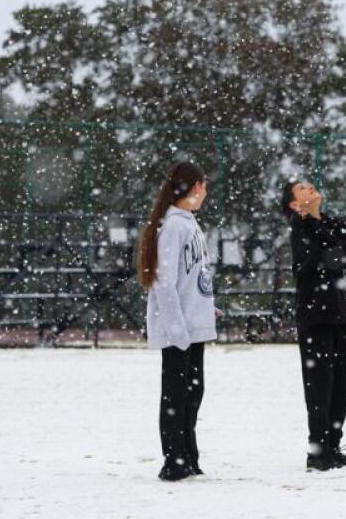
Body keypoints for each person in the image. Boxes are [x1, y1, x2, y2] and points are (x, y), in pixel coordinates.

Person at [280, 180, 346, 471]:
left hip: (338, 314)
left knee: (341, 385)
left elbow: (342, 258)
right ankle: (318, 451)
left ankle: (333, 446)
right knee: (320, 386)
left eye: (309, 185)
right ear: (294, 204)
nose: (310, 188)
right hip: (315, 317)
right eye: (301, 188)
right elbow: (328, 260)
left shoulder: (330, 226)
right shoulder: (300, 230)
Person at [136, 162, 218, 481]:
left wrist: (205, 306)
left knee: (193, 393)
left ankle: (188, 456)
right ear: (196, 187)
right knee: (176, 394)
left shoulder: (188, 223)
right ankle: (174, 460)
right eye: (204, 186)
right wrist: (176, 330)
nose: (206, 193)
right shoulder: (173, 225)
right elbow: (164, 282)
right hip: (179, 330)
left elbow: (190, 275)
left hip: (192, 326)